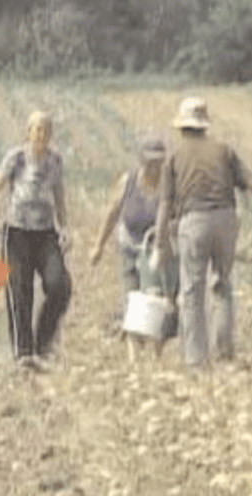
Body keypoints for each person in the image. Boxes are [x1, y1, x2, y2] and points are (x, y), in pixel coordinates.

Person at [150, 97, 252, 370]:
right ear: (204, 125)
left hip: (194, 221)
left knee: (192, 290)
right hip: (226, 219)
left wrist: (160, 244)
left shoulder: (174, 157)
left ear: (182, 127)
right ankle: (224, 352)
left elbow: (165, 205)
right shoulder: (224, 151)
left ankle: (196, 359)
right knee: (222, 283)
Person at [0, 110, 72, 371]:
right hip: (17, 232)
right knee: (20, 291)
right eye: (37, 129)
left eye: (46, 130)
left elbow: (59, 197)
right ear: (28, 132)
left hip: (45, 233)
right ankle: (23, 353)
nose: (41, 134)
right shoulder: (16, 158)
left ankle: (42, 343)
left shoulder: (55, 161)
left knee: (59, 285)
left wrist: (65, 227)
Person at [90, 135, 179, 362]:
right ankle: (134, 358)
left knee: (160, 300)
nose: (154, 167)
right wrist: (98, 246)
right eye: (150, 162)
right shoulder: (127, 182)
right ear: (141, 160)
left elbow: (182, 216)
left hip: (159, 249)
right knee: (131, 299)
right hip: (131, 245)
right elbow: (112, 213)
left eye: (159, 162)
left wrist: (170, 232)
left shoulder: (171, 186)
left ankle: (157, 354)